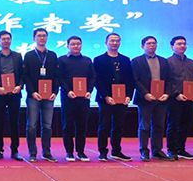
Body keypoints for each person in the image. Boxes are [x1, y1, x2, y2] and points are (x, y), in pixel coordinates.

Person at [93, 33, 135, 161]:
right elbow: (97, 80)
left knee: (118, 125)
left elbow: (130, 79)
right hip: (105, 98)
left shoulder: (125, 60)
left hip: (122, 98)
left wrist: (129, 95)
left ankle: (116, 151)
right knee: (104, 125)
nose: (115, 43)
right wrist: (106, 96)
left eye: (117, 41)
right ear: (106, 43)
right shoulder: (99, 60)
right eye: (112, 41)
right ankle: (102, 151)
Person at [131, 36, 173, 162]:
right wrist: (145, 93)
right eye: (148, 43)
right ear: (142, 46)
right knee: (145, 126)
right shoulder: (136, 61)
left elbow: (169, 79)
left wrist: (167, 93)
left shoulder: (164, 61)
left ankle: (157, 150)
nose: (152, 45)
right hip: (145, 99)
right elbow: (135, 80)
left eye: (154, 43)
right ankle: (144, 150)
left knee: (159, 125)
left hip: (161, 98)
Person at [0, 30, 24, 161]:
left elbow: (23, 75)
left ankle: (15, 151)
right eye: (3, 39)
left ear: (11, 40)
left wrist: (20, 86)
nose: (6, 41)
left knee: (14, 122)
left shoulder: (18, 56)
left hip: (14, 94)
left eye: (8, 38)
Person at [22, 28, 59, 163]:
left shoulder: (53, 55)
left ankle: (46, 152)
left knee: (47, 125)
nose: (42, 38)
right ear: (34, 38)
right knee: (32, 125)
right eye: (39, 36)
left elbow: (57, 76)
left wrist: (55, 92)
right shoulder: (29, 55)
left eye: (44, 36)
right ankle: (32, 152)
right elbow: (25, 76)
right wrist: (32, 92)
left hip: (49, 96)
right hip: (33, 96)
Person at [57, 36, 96, 162]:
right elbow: (59, 77)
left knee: (82, 125)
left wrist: (89, 91)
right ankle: (69, 152)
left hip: (84, 97)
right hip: (68, 97)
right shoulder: (62, 60)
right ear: (67, 45)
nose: (76, 46)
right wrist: (68, 91)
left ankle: (81, 151)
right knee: (67, 125)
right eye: (73, 44)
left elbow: (92, 77)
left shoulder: (87, 60)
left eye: (78, 44)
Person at [166, 35, 193, 160]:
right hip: (175, 99)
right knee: (173, 124)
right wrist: (176, 94)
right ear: (172, 46)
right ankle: (171, 150)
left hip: (190, 99)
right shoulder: (168, 62)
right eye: (179, 44)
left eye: (184, 43)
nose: (182, 46)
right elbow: (167, 81)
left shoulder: (191, 62)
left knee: (185, 125)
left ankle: (181, 149)